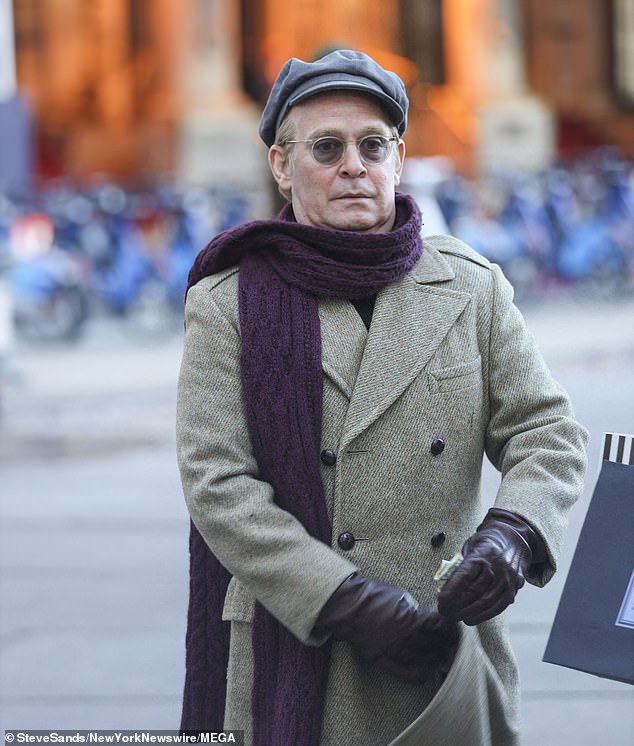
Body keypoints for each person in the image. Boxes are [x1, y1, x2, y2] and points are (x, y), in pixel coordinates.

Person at [176, 49, 588, 746]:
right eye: (327, 148)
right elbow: (217, 484)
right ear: (281, 164)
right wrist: (343, 600)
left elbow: (545, 431)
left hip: (445, 646)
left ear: (398, 158)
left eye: (373, 146)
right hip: (305, 639)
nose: (353, 166)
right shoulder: (230, 303)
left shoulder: (470, 286)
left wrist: (513, 535)